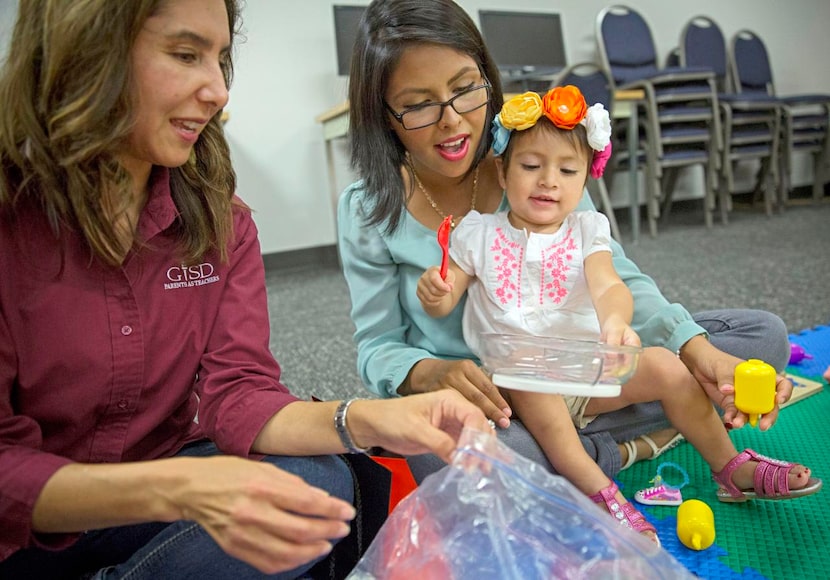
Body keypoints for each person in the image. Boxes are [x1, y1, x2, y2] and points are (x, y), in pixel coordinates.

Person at [0, 1, 493, 578]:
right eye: (186, 55)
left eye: (221, 59)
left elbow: (240, 391)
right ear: (84, 53)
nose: (217, 91)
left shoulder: (221, 222)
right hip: (30, 524)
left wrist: (366, 419)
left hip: (163, 492)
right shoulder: (14, 230)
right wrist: (177, 488)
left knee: (323, 481)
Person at [337, 0, 799, 483]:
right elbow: (378, 346)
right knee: (454, 453)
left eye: (465, 90)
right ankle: (630, 442)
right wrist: (429, 371)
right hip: (496, 402)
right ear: (386, 115)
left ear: (487, 81)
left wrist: (695, 349)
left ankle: (584, 450)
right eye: (419, 105)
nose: (452, 119)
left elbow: (616, 277)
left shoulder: (533, 159)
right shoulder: (367, 208)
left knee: (760, 337)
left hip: (580, 366)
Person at [416, 87, 821, 544]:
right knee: (509, 386)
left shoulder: (588, 228)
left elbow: (610, 283)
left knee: (670, 364)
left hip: (589, 370)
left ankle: (730, 467)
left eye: (567, 170)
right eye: (531, 166)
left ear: (586, 178)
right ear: (502, 171)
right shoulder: (479, 233)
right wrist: (436, 292)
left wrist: (615, 322)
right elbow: (447, 299)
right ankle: (601, 494)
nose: (549, 180)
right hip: (520, 381)